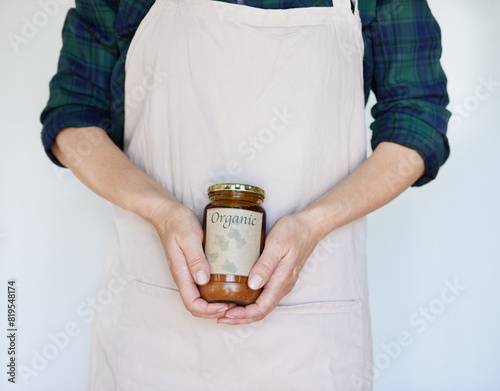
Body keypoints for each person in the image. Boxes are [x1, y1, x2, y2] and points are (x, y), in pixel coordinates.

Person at [40, 0, 450, 389]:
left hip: (311, 336)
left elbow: (417, 121)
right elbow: (74, 117)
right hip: (152, 334)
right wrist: (161, 212)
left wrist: (312, 225)